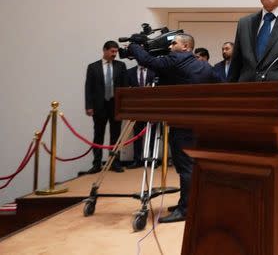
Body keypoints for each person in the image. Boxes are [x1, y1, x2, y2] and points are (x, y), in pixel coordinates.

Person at [128, 33, 216, 223]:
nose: (170, 46)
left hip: (182, 122)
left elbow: (147, 61)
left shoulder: (178, 58)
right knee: (192, 165)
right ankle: (189, 202)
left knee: (185, 167)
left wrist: (135, 45)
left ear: (185, 47)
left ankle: (185, 210)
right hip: (199, 123)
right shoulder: (205, 66)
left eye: (174, 43)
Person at [84, 40, 128, 174]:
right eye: (112, 51)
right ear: (105, 50)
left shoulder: (121, 66)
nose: (115, 54)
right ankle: (96, 164)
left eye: (116, 52)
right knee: (98, 135)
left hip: (115, 106)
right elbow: (88, 88)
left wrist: (125, 106)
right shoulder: (93, 67)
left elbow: (124, 87)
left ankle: (115, 162)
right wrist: (89, 106)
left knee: (116, 135)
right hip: (99, 106)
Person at [126, 64, 156, 169]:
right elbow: (126, 91)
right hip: (136, 109)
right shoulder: (129, 72)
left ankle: (151, 159)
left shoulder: (154, 71)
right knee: (137, 136)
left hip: (152, 109)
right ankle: (137, 160)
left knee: (152, 135)